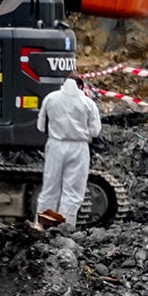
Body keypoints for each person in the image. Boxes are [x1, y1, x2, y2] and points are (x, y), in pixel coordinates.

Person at [34, 74, 102, 231]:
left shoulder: (50, 98)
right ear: (81, 87)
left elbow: (40, 126)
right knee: (73, 190)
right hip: (79, 147)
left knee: (50, 187)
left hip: (55, 145)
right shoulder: (88, 103)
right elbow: (95, 130)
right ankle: (64, 227)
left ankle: (44, 225)